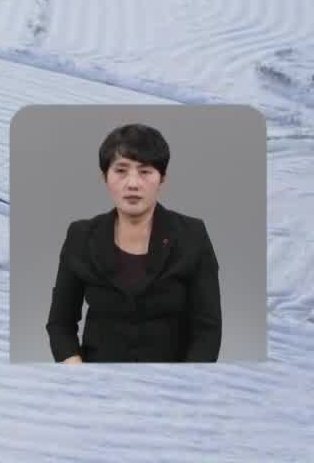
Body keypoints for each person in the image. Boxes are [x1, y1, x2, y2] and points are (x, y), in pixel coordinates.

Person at [46, 123, 221, 363]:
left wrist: (188, 385)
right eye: (121, 170)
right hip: (97, 382)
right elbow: (59, 324)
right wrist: (78, 374)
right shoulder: (81, 236)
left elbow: (208, 329)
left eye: (145, 171)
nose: (133, 183)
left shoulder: (192, 234)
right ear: (104, 177)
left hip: (172, 385)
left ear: (162, 179)